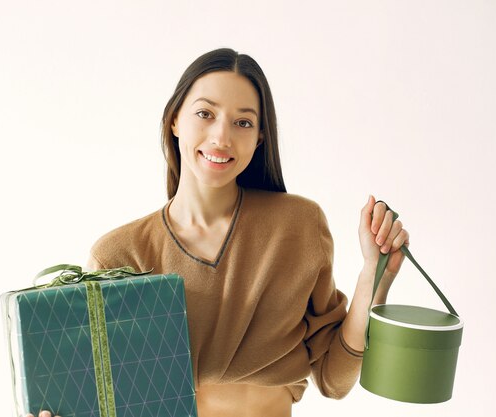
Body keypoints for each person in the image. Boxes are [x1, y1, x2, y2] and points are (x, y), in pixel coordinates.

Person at [28, 47, 410, 417]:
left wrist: (372, 277)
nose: (222, 137)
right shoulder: (120, 254)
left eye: (243, 122)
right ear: (175, 119)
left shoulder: (299, 226)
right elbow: (105, 396)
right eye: (205, 114)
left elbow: (334, 378)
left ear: (260, 136)